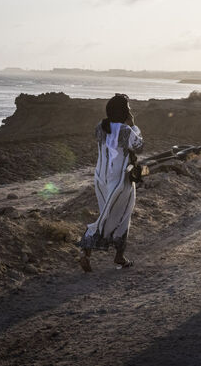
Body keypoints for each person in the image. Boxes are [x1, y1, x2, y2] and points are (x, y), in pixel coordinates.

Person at [78, 93, 144, 272]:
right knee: (122, 214)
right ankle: (94, 248)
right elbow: (139, 146)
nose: (130, 110)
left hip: (101, 178)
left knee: (108, 213)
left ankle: (96, 253)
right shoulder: (126, 130)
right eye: (128, 108)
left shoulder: (100, 126)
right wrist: (133, 125)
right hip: (120, 179)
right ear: (123, 111)